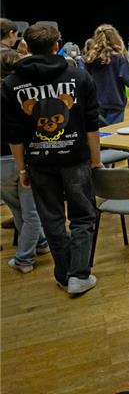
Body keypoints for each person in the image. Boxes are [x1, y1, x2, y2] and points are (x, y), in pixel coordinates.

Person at [1, 24, 101, 295]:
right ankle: (79, 275)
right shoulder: (79, 77)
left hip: (38, 161)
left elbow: (14, 134)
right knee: (83, 215)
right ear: (57, 45)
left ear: (27, 48)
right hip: (76, 158)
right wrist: (96, 160)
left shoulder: (11, 84)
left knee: (52, 218)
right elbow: (92, 124)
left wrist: (21, 168)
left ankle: (64, 274)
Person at [1, 48, 48, 274]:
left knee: (19, 210)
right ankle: (24, 259)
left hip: (0, 164)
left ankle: (39, 243)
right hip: (21, 158)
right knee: (31, 213)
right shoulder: (25, 96)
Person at [82, 24, 129, 125]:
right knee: (113, 137)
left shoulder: (89, 59)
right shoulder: (119, 58)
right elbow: (128, 80)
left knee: (100, 135)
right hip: (116, 101)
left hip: (95, 103)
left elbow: (85, 80)